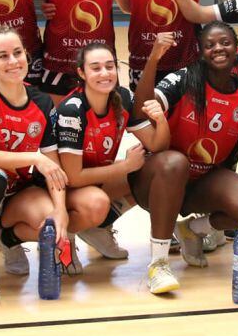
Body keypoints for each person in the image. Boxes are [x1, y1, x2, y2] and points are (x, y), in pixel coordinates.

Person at [132, 25, 238, 288]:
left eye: (225, 42)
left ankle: (193, 230)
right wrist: (154, 59)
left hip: (201, 183)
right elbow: (140, 110)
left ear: (236, 47)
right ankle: (158, 264)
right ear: (201, 52)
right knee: (175, 162)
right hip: (158, 179)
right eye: (210, 44)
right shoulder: (184, 79)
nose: (218, 48)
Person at [0, 20, 67, 304]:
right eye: (3, 56)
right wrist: (33, 156)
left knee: (49, 223)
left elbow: (53, 167)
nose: (13, 61)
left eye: (17, 53)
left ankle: (7, 239)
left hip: (16, 192)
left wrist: (61, 211)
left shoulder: (42, 102)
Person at [53, 43, 176, 272]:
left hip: (94, 180)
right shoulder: (73, 110)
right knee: (96, 202)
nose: (105, 73)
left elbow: (157, 145)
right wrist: (125, 167)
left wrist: (161, 121)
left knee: (150, 171)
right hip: (60, 189)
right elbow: (73, 177)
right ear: (82, 72)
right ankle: (64, 241)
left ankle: (98, 229)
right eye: (96, 68)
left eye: (110, 67)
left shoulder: (122, 98)